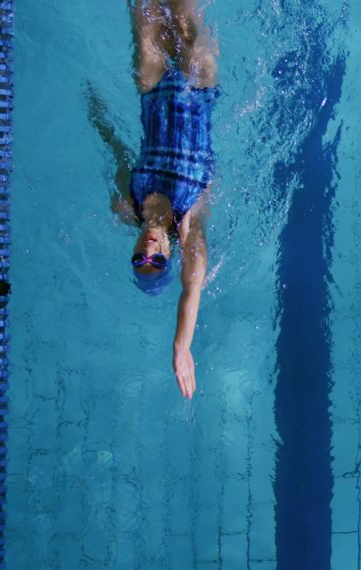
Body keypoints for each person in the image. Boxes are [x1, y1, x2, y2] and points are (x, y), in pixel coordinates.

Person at [87, 0, 219, 400]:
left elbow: (121, 155)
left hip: (154, 93)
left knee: (145, 17)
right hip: (198, 94)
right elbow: (192, 287)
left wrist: (101, 122)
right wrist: (182, 346)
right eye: (156, 261)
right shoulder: (189, 222)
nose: (147, 253)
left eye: (138, 260)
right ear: (167, 254)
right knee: (183, 17)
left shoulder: (129, 202)